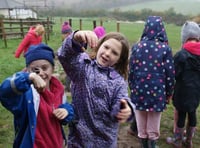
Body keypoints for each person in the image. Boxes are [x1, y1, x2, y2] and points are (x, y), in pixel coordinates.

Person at [57, 30, 134, 147]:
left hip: (105, 141)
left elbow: (121, 100)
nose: (108, 53)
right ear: (99, 45)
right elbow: (65, 56)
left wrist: (124, 108)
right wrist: (75, 39)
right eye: (106, 47)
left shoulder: (118, 81)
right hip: (78, 139)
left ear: (119, 59)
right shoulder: (82, 66)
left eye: (114, 53)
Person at [0, 43, 74, 148]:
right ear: (27, 70)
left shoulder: (58, 89)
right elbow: (4, 91)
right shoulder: (25, 94)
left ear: (52, 68)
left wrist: (66, 111)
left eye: (45, 68)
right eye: (35, 70)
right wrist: (28, 78)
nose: (41, 73)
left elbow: (66, 106)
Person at [128, 16, 175, 148]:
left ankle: (144, 144)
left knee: (141, 124)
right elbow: (170, 74)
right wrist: (169, 93)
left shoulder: (137, 47)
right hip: (157, 92)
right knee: (154, 123)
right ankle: (152, 144)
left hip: (138, 90)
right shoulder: (165, 49)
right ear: (161, 29)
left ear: (146, 28)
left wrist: (132, 88)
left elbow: (131, 70)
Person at [166, 21, 200, 148]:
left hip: (182, 92)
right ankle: (189, 140)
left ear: (184, 38)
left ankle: (178, 140)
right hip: (196, 92)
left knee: (181, 115)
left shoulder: (181, 55)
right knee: (192, 113)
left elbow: (173, 74)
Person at [60, 21, 73, 92]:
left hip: (72, 61)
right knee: (68, 74)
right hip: (68, 60)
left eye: (65, 33)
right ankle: (68, 87)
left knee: (70, 74)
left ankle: (69, 87)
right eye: (63, 33)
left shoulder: (72, 40)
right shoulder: (66, 40)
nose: (64, 35)